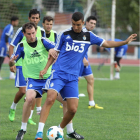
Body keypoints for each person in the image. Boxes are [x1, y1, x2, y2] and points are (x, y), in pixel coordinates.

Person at [35, 12, 137, 140]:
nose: (75, 27)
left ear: (83, 23)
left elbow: (107, 43)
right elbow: (54, 53)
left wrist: (125, 42)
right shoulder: (65, 34)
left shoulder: (89, 36)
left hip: (73, 77)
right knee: (50, 98)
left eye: (78, 25)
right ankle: (39, 133)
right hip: (59, 73)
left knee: (72, 109)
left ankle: (60, 130)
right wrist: (45, 69)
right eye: (73, 24)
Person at [9, 22, 56, 140]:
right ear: (24, 34)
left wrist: (52, 50)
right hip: (33, 80)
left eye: (33, 33)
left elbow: (56, 49)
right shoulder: (21, 46)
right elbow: (12, 61)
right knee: (29, 98)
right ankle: (22, 129)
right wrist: (11, 62)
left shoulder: (43, 41)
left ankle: (68, 130)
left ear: (36, 31)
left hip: (49, 78)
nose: (32, 36)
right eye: (29, 34)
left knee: (66, 101)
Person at [42, 15, 84, 139]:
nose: (48, 26)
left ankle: (69, 131)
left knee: (68, 102)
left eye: (50, 24)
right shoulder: (37, 35)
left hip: (64, 74)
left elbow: (72, 51)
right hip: (50, 73)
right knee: (34, 96)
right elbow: (54, 51)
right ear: (42, 23)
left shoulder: (57, 34)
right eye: (46, 23)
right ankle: (36, 128)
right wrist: (45, 67)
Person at [8, 9, 46, 125]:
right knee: (22, 91)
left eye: (36, 18)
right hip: (21, 64)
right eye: (33, 18)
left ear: (39, 19)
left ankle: (29, 116)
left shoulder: (42, 32)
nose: (35, 20)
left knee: (33, 91)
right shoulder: (22, 30)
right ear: (29, 18)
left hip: (35, 66)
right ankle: (13, 107)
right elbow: (12, 45)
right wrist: (12, 62)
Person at [79, 16, 103, 109]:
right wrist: (82, 59)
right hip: (78, 61)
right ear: (86, 22)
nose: (92, 25)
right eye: (91, 23)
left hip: (85, 61)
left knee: (91, 80)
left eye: (94, 24)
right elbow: (76, 49)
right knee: (75, 81)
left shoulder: (90, 34)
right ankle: (64, 102)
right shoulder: (81, 32)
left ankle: (91, 103)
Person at [0, 16, 19, 80]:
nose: (17, 23)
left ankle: (12, 74)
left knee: (12, 59)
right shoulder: (10, 27)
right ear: (13, 21)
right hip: (3, 46)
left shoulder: (10, 27)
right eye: (16, 21)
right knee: (1, 60)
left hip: (5, 46)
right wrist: (8, 46)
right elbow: (6, 37)